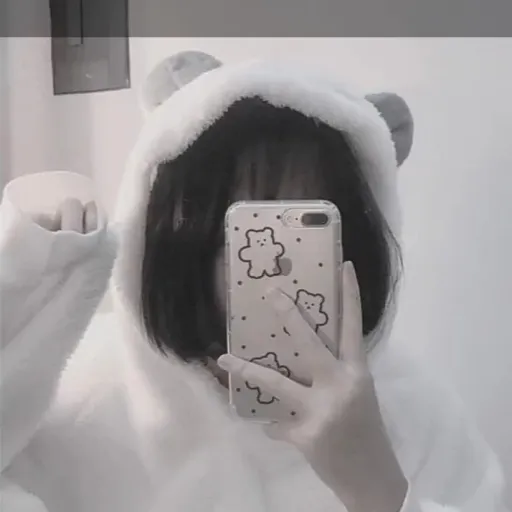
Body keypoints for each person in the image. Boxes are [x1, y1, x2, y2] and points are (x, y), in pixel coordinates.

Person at [0, 51, 507, 512]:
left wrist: (379, 491)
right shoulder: (81, 391)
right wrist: (20, 301)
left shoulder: (412, 412)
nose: (276, 275)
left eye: (304, 236)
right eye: (248, 234)